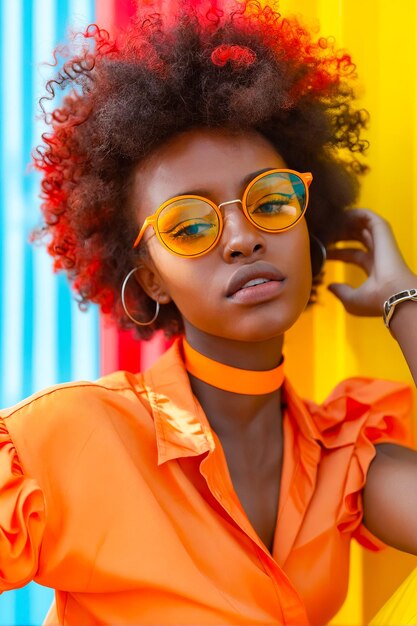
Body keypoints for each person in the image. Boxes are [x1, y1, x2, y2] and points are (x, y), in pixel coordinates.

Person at [1, 1, 416, 624]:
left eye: (272, 201)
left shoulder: (348, 458)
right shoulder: (69, 439)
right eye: (190, 223)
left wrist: (403, 302)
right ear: (150, 280)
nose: (242, 238)